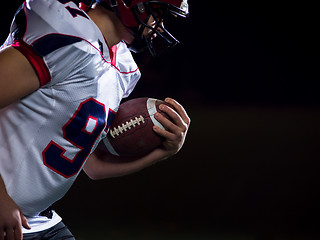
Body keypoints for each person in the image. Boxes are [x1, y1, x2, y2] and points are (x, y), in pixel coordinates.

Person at [0, 0, 190, 239]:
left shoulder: (121, 66)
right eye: (158, 13)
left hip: (36, 219)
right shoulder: (66, 37)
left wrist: (164, 150)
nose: (159, 27)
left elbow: (93, 166)